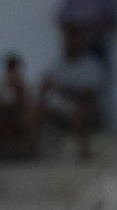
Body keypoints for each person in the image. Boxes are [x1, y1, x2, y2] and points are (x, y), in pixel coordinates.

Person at [42, 29, 107, 160]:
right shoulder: (58, 64)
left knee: (79, 110)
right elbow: (47, 85)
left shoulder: (90, 65)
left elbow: (90, 92)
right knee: (35, 110)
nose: (68, 45)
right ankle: (32, 150)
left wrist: (62, 88)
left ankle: (84, 151)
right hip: (59, 109)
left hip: (84, 109)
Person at [0, 54, 40, 161]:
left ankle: (31, 149)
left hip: (19, 114)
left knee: (27, 120)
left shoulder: (22, 83)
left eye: (13, 66)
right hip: (5, 114)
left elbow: (26, 100)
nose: (12, 69)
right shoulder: (1, 82)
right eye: (10, 66)